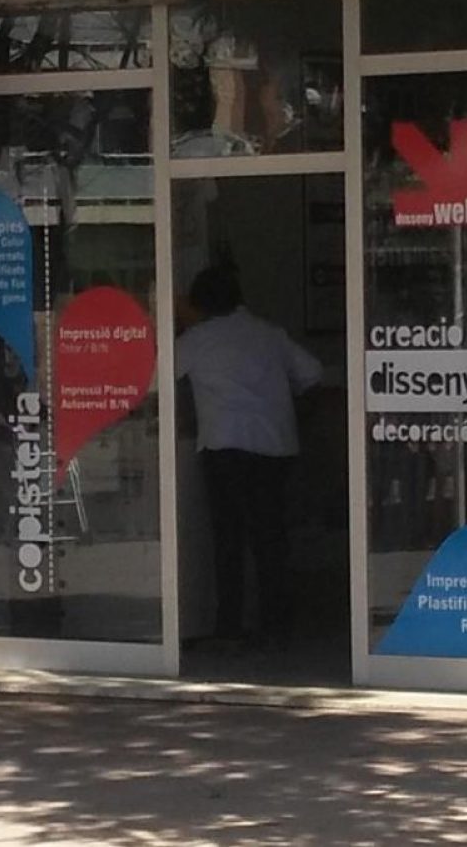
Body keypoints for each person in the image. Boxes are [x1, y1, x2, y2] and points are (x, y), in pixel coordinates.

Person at [175, 264, 322, 649]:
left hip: (225, 447)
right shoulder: (269, 334)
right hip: (275, 447)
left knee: (228, 539)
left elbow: (156, 377)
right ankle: (276, 622)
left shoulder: (197, 340)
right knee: (270, 537)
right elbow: (312, 373)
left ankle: (230, 624)